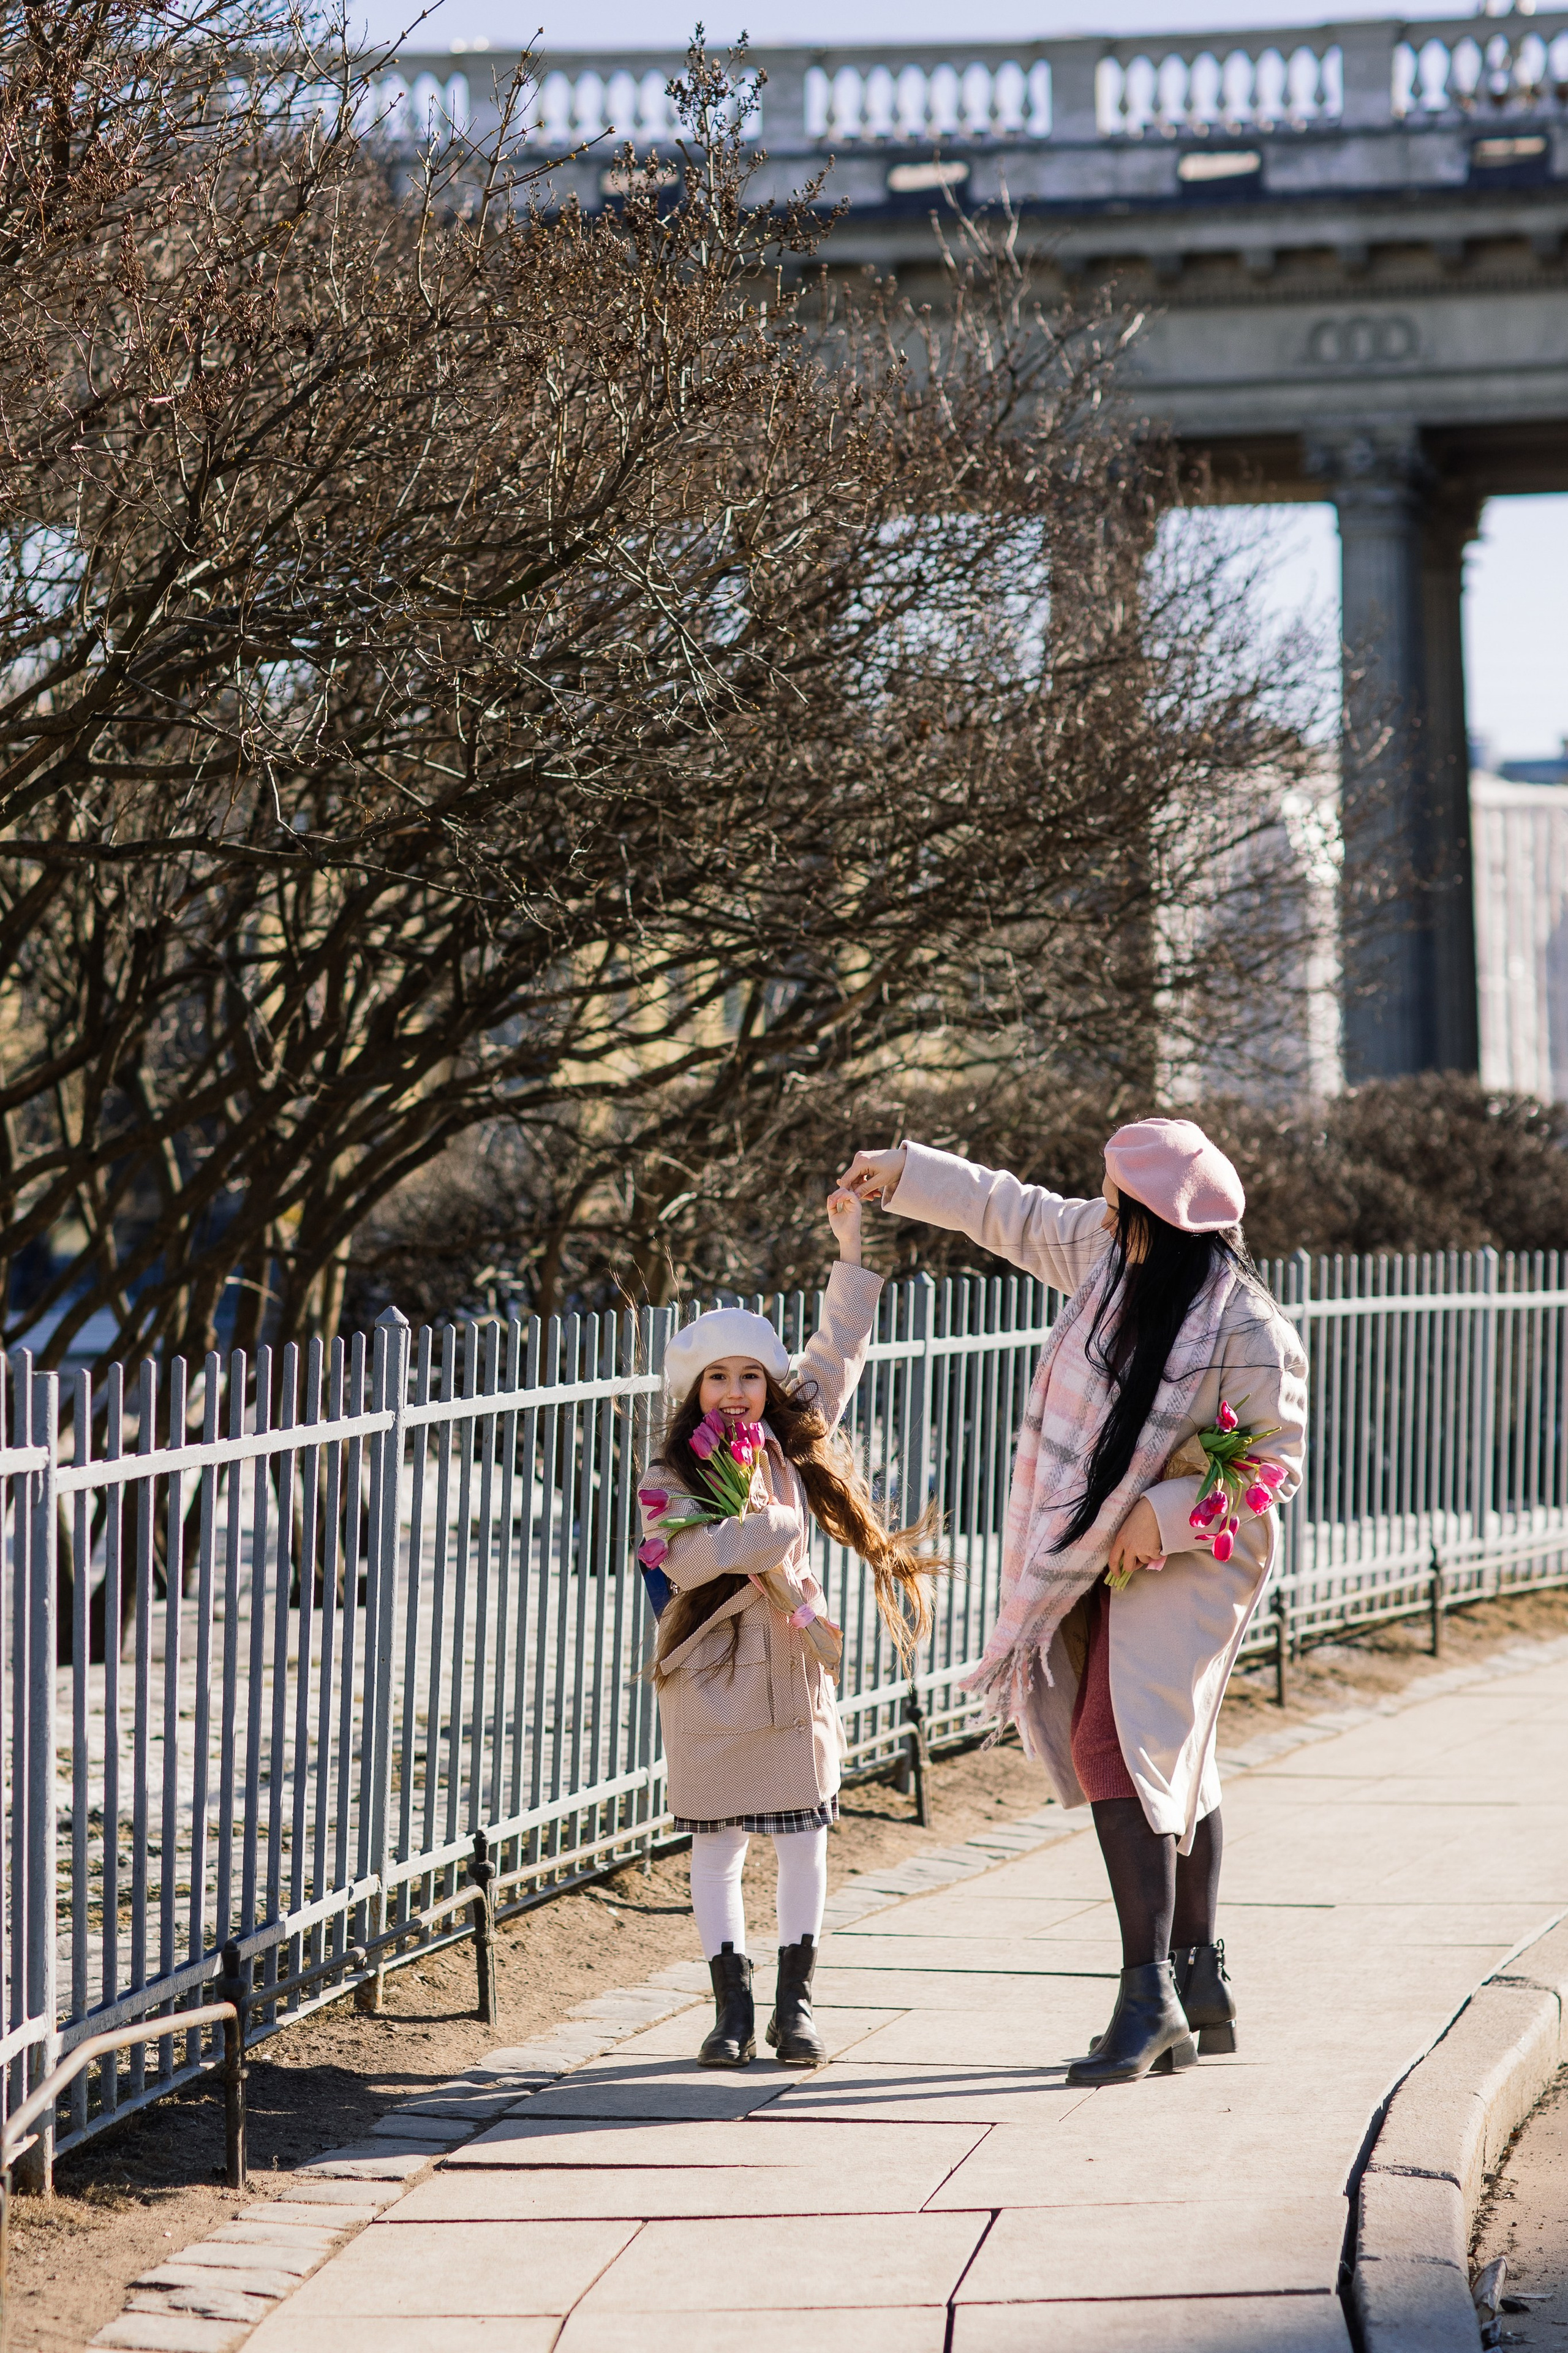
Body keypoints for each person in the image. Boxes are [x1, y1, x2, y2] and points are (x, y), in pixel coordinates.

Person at [838, 1122, 1307, 2087]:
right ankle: (1197, 1978)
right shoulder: (1105, 1255)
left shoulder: (1251, 1328)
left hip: (1194, 1560)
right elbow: (1005, 1209)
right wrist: (905, 1172)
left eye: (1114, 1194)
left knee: (1116, 1743)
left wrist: (1162, 1515)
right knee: (1173, 1754)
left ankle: (1149, 2000)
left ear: (1154, 1216)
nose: (1100, 1206)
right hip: (1094, 1544)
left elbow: (1272, 1468)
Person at [639, 1184, 940, 2071]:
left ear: (770, 1385)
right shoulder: (668, 1472)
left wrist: (851, 1249)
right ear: (694, 1388)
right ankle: (730, 2011)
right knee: (717, 1845)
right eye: (718, 1377)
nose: (736, 1392)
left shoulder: (790, 1445)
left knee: (805, 1839)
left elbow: (837, 1351)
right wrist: (762, 1533)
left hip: (792, 1667)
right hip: (707, 1675)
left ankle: (794, 2008)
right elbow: (677, 1562)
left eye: (751, 1376)